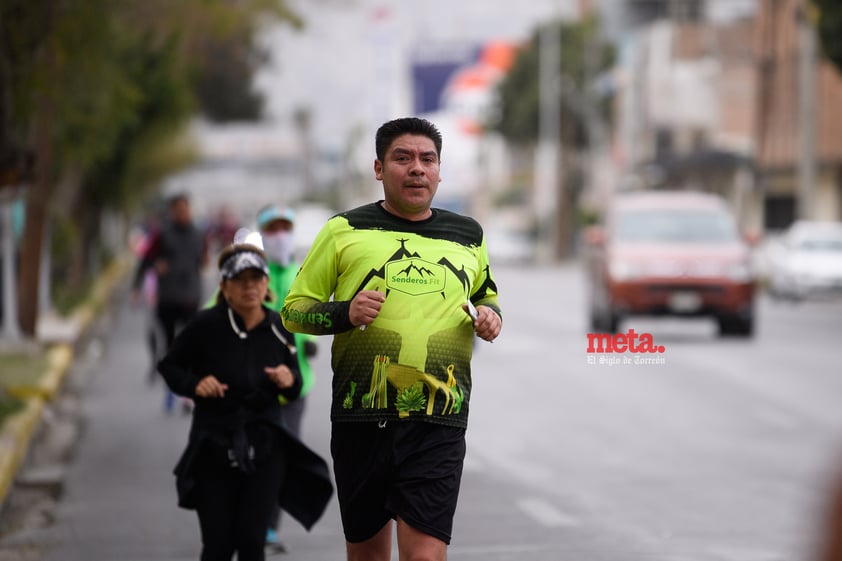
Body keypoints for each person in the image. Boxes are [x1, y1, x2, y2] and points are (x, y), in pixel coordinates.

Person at [281, 116, 502, 561]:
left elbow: (486, 297)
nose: (417, 168)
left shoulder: (468, 235)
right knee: (369, 556)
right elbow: (293, 311)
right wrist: (345, 312)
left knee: (424, 556)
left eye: (427, 159)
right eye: (403, 158)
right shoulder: (344, 231)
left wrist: (489, 318)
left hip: (438, 421)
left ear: (439, 170)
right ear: (379, 168)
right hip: (360, 419)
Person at [158, 242, 333, 561]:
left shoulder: (280, 326)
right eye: (240, 280)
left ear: (267, 284)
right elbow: (169, 366)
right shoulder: (204, 325)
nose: (249, 286)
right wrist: (196, 384)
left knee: (252, 542)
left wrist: (288, 379)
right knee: (219, 545)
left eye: (256, 278)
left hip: (265, 447)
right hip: (214, 443)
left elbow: (294, 384)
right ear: (224, 286)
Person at [255, 204, 319, 553]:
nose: (279, 235)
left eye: (285, 228)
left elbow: (315, 311)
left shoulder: (304, 274)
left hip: (295, 385)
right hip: (253, 386)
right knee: (253, 456)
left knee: (280, 457)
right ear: (262, 234)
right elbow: (213, 312)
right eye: (272, 228)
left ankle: (268, 529)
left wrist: (308, 342)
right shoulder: (248, 276)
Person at [132, 193, 207, 413]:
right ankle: (172, 390)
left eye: (186, 208)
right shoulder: (161, 234)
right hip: (168, 298)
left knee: (191, 347)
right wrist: (138, 285)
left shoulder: (198, 234)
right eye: (178, 209)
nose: (183, 213)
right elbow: (146, 260)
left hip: (191, 297)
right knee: (170, 346)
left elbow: (203, 259)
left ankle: (187, 395)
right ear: (172, 211)